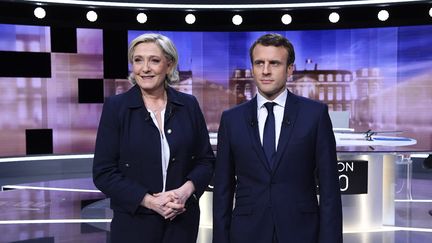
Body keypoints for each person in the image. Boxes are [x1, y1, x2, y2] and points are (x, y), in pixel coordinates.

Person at [213, 33, 342, 243]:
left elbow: (329, 190)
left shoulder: (315, 115)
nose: (265, 70)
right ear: (252, 68)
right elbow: (222, 191)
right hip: (247, 232)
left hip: (301, 231)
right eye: (259, 63)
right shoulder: (231, 120)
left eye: (274, 63)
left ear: (290, 69)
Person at [93, 33, 215, 243]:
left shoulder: (188, 105)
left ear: (169, 65)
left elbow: (206, 161)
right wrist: (150, 201)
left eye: (154, 60)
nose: (145, 68)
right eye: (138, 60)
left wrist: (185, 192)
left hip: (182, 221)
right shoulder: (116, 108)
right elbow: (103, 172)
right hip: (133, 223)